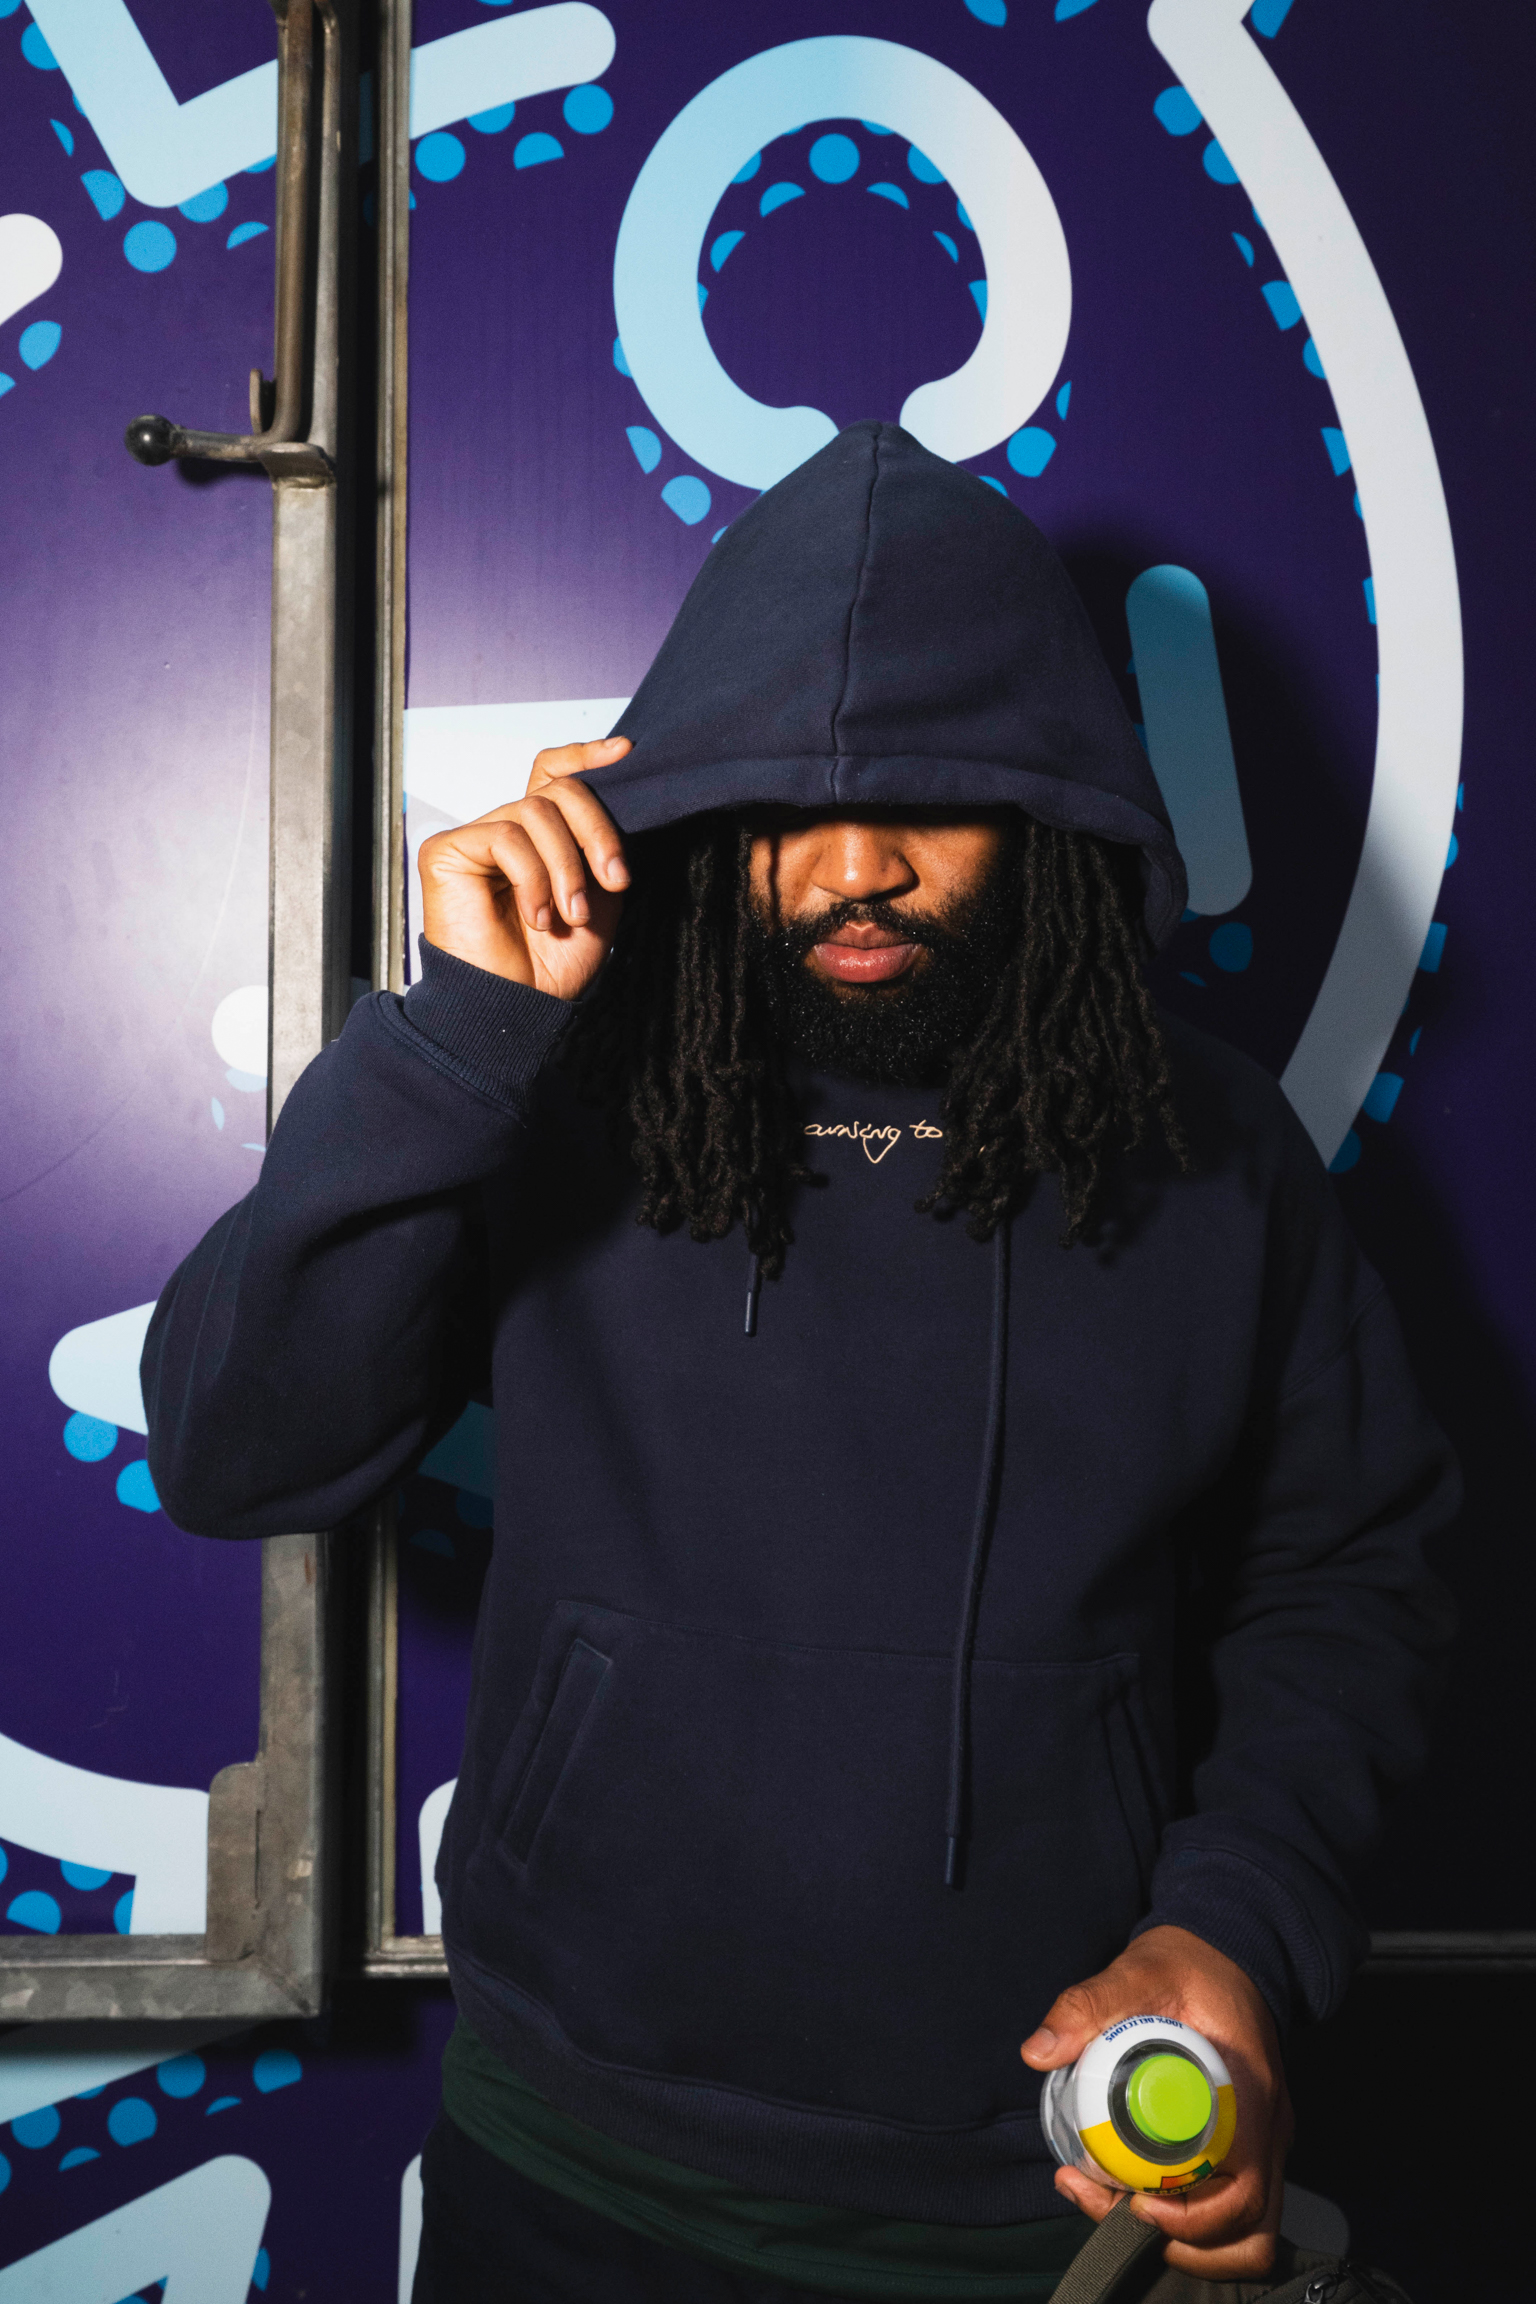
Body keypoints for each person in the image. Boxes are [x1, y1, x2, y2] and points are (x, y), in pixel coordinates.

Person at [144, 422, 1456, 2301]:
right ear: (680, 810)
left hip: (1051, 2185)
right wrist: (451, 1044)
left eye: (932, 797)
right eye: (780, 809)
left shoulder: (1217, 1156)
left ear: (1056, 797)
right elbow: (231, 1453)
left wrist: (1237, 1930)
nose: (852, 868)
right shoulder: (549, 1100)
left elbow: (1350, 1580)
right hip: (573, 2167)